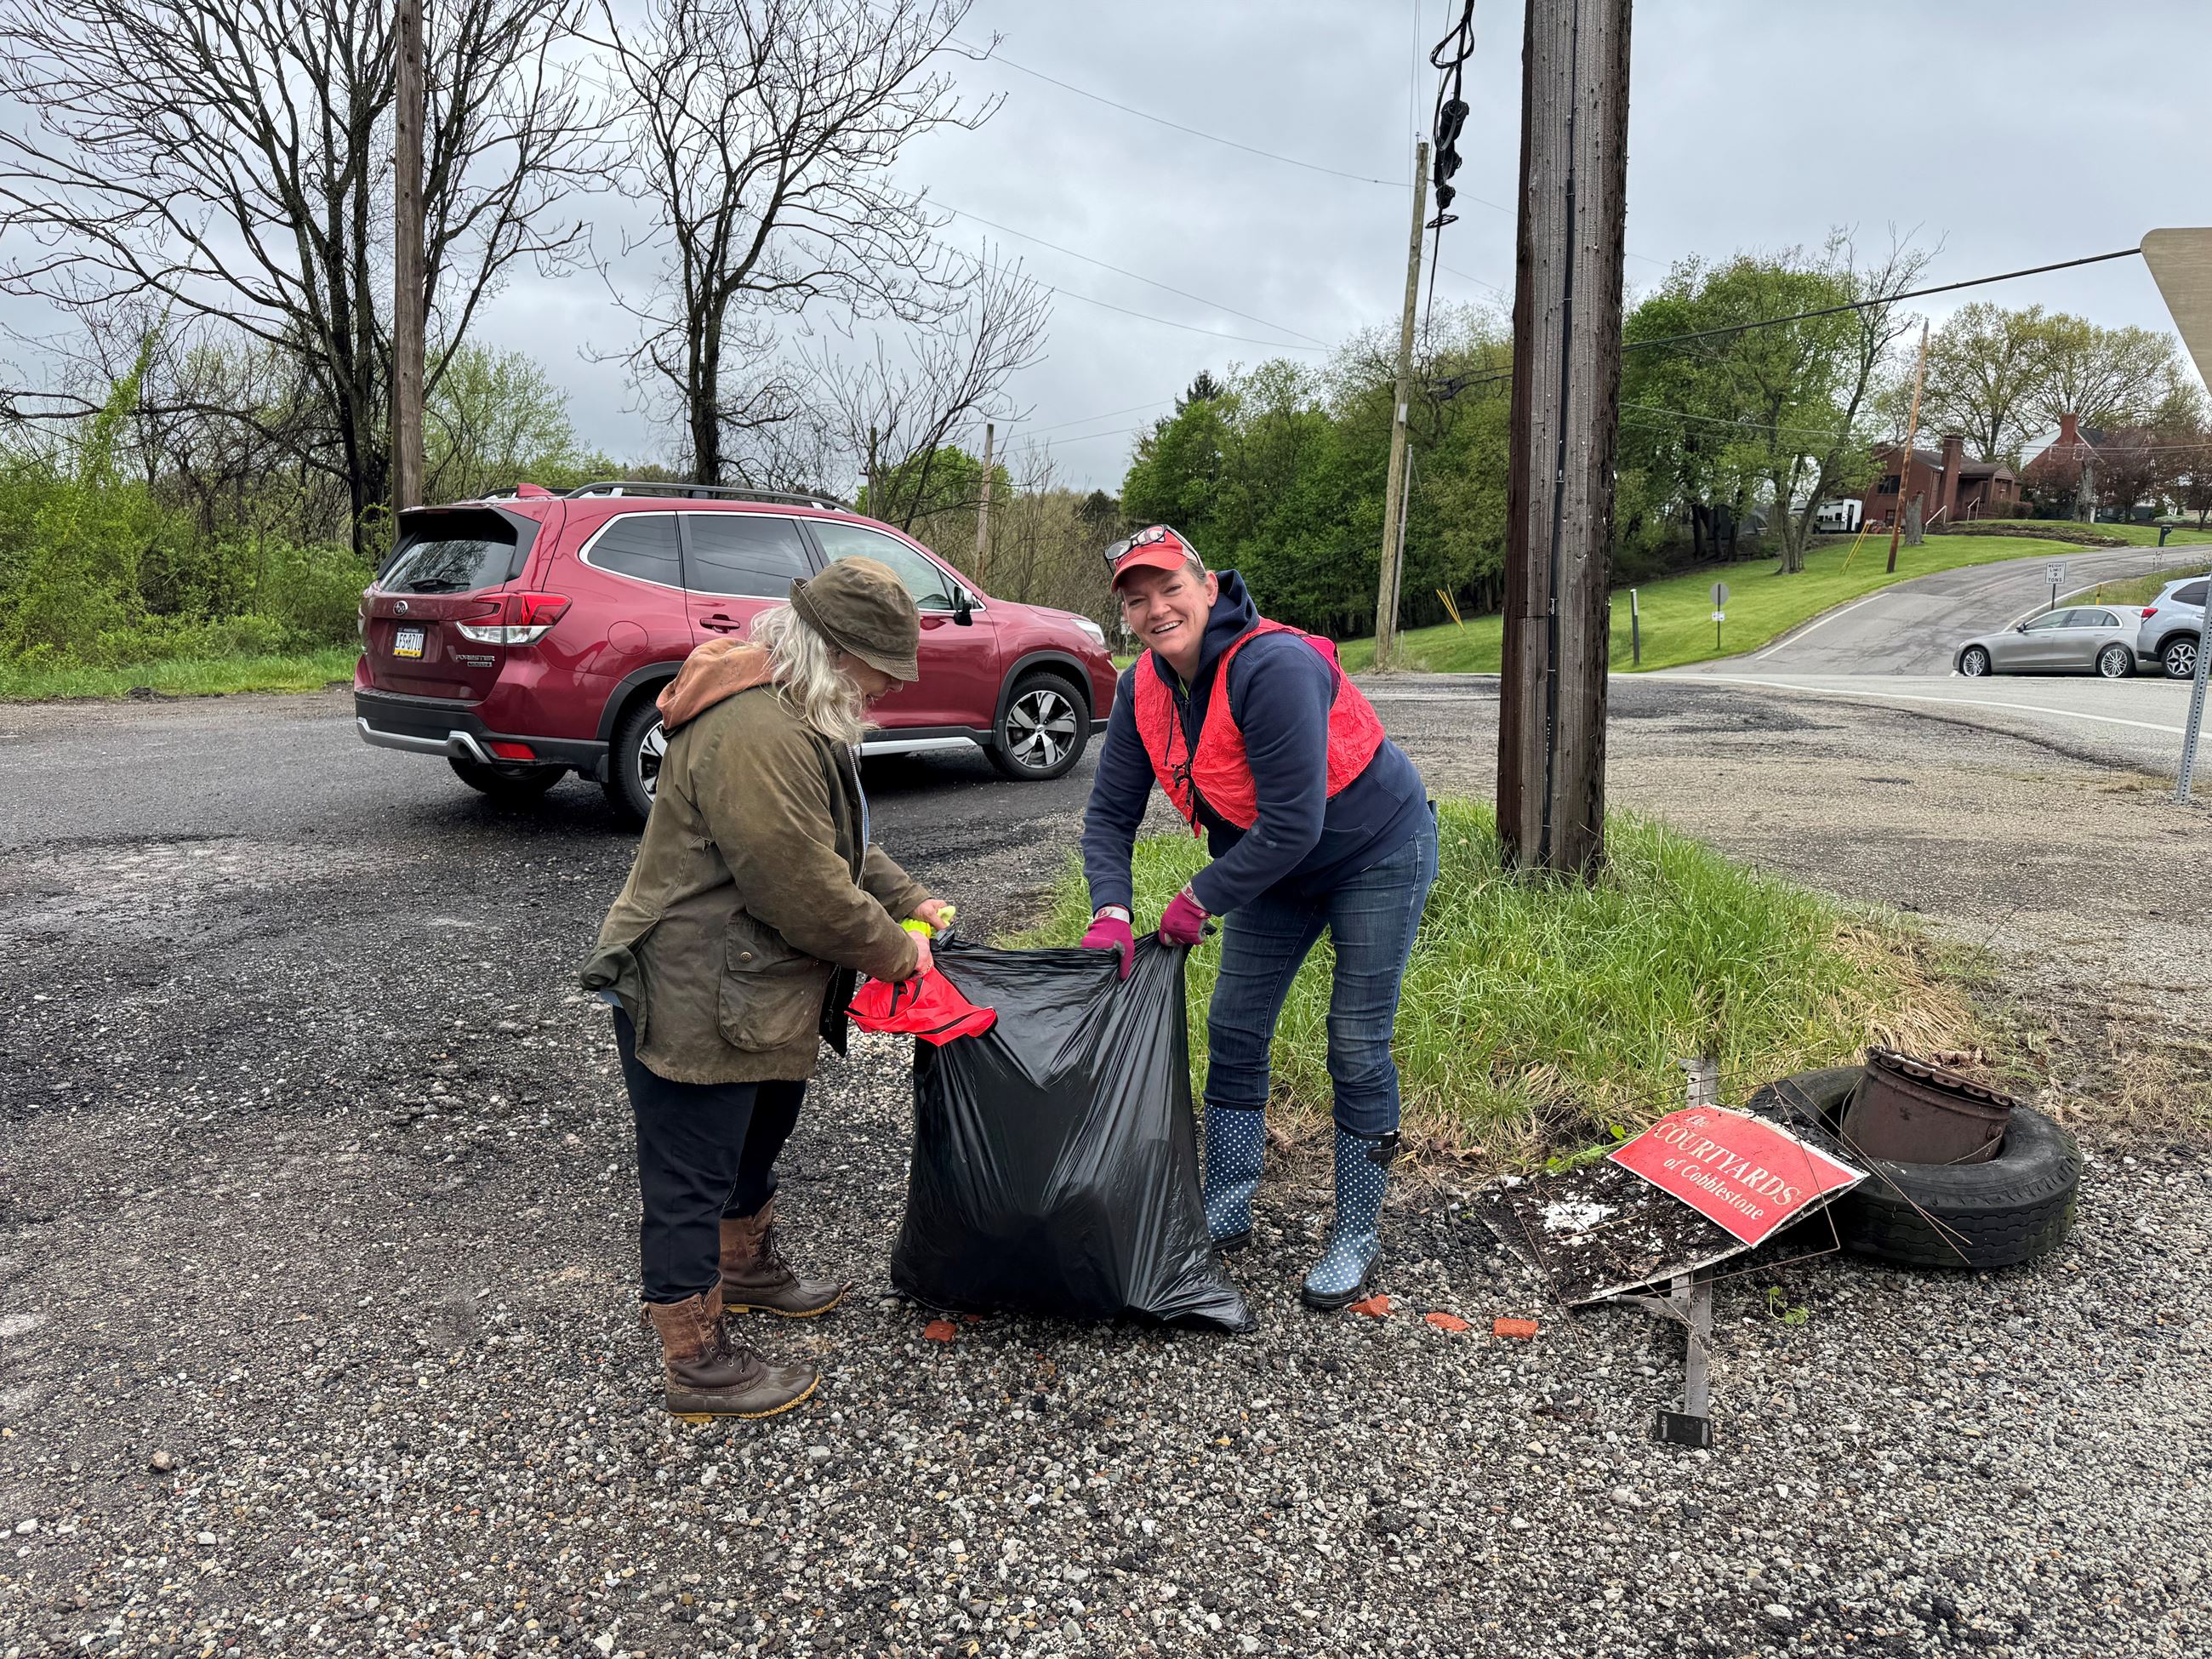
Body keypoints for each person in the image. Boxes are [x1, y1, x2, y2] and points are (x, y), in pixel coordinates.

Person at [582, 557, 951, 1419]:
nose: (885, 691)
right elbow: (801, 889)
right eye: (878, 672)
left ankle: (744, 1267)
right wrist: (897, 951)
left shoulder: (797, 712)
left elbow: (834, 846)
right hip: (695, 986)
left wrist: (908, 899)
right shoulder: (755, 732)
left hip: (750, 985)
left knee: (756, 1133)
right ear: (833, 652)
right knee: (689, 1175)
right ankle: (696, 1359)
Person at [1079, 526, 1436, 1310]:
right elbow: (1109, 817)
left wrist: (1199, 896)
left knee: (1355, 1040)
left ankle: (1356, 1230)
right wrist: (1111, 905)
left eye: (1170, 588)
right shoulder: (1142, 686)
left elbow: (1294, 825)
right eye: (1137, 601)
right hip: (1272, 867)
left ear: (1209, 587)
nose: (1156, 609)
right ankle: (1229, 1199)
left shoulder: (1273, 666)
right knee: (1235, 1027)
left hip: (1372, 852)